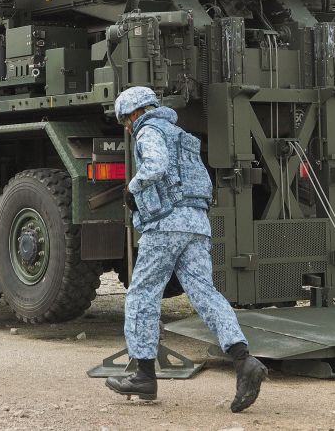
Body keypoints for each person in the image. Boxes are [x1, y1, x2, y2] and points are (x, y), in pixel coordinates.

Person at [105, 86, 266, 413]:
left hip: (165, 225)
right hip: (196, 224)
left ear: (136, 113)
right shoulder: (180, 134)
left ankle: (144, 375)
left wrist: (132, 189)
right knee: (205, 293)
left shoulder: (148, 131)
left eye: (125, 120)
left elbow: (155, 166)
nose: (126, 127)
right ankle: (243, 360)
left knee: (142, 293)